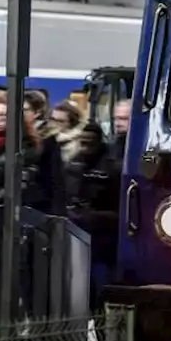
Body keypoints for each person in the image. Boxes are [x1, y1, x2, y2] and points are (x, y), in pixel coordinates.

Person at [65, 122, 121, 306]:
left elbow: (119, 208)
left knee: (101, 281)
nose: (86, 146)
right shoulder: (74, 163)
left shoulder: (111, 167)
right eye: (83, 142)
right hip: (76, 229)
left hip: (102, 235)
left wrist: (95, 216)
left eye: (90, 142)